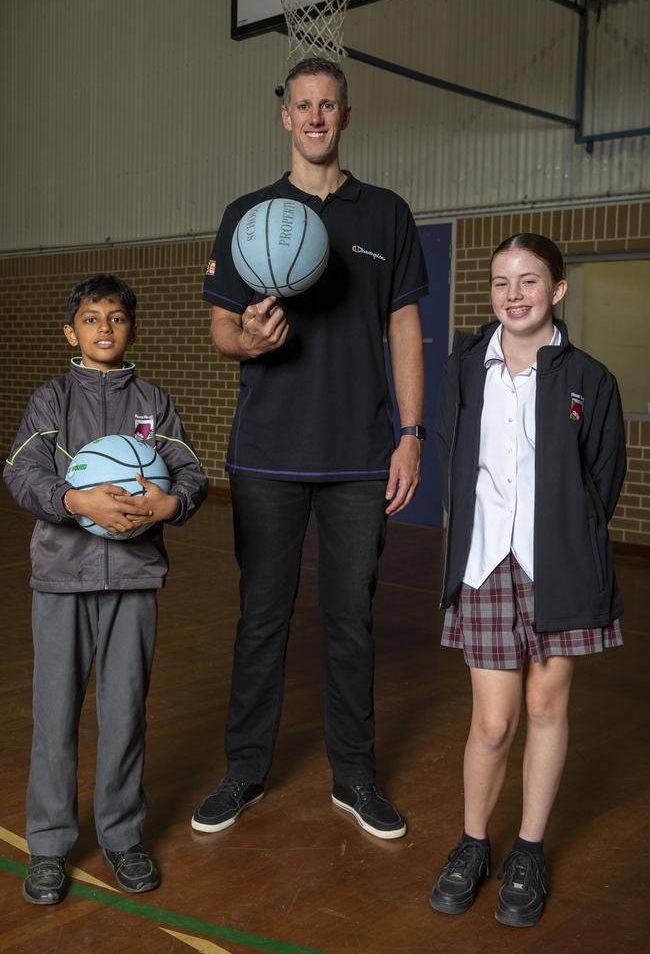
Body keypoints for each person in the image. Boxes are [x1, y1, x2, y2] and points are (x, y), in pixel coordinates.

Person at [193, 57, 427, 840]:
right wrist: (249, 345)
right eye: (303, 105)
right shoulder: (248, 214)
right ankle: (244, 771)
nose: (317, 117)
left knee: (350, 621)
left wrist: (412, 434)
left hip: (361, 455)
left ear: (346, 117)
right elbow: (222, 326)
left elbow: (403, 330)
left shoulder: (386, 214)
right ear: (283, 116)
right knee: (261, 617)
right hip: (265, 454)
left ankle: (354, 777)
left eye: (329, 105)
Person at [431, 233, 626, 927]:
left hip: (560, 570)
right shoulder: (461, 368)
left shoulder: (591, 379)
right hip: (486, 564)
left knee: (547, 711)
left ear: (558, 290)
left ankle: (530, 851)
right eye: (500, 282)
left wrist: (563, 536)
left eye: (529, 281)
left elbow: (602, 480)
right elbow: (452, 457)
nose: (513, 295)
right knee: (492, 724)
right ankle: (473, 843)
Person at [4, 274, 208, 905]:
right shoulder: (51, 401)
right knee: (55, 717)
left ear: (132, 329)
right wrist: (74, 497)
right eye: (91, 319)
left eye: (115, 319)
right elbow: (21, 471)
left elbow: (191, 473)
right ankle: (48, 845)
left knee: (124, 714)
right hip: (62, 578)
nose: (103, 329)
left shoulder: (153, 403)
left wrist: (170, 505)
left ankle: (122, 836)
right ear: (72, 332)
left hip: (133, 580)